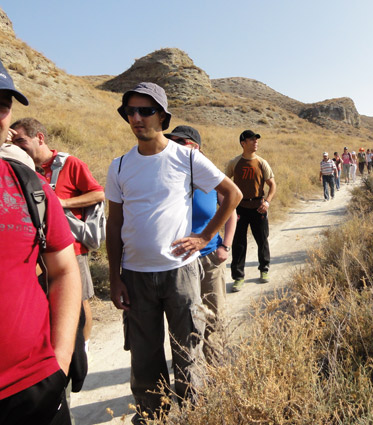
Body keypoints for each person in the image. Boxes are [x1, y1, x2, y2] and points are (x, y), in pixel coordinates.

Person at [105, 82, 242, 423]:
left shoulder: (187, 157)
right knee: (145, 360)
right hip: (136, 277)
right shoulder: (120, 166)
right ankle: (154, 418)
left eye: (145, 111)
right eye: (130, 111)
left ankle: (196, 416)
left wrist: (205, 236)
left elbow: (233, 195)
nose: (136, 118)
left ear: (162, 116)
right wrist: (114, 276)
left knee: (188, 354)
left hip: (180, 274)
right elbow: (114, 223)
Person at [0, 58, 81, 425]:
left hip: (35, 389)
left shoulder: (28, 183)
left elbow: (63, 270)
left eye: (1, 104)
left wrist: (61, 360)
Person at [9, 117, 104, 351]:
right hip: (39, 252)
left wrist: (60, 203)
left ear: (39, 138)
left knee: (79, 301)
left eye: (21, 141)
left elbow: (98, 194)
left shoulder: (69, 164)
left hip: (72, 248)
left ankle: (83, 350)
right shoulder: (21, 167)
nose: (18, 147)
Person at [165, 125, 237, 334]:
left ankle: (216, 364)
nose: (174, 146)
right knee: (187, 319)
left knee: (214, 319)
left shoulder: (212, 176)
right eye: (172, 142)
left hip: (209, 259)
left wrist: (225, 246)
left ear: (195, 147)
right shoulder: (169, 177)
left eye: (180, 142)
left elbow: (231, 211)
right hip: (178, 261)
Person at [226, 130, 276, 292]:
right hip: (239, 208)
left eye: (256, 139)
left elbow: (272, 185)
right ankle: (238, 277)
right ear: (243, 143)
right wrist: (229, 206)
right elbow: (224, 184)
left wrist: (267, 202)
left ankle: (264, 270)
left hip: (258, 207)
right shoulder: (234, 163)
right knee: (239, 243)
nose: (256, 142)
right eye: (252, 140)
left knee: (262, 240)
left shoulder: (262, 162)